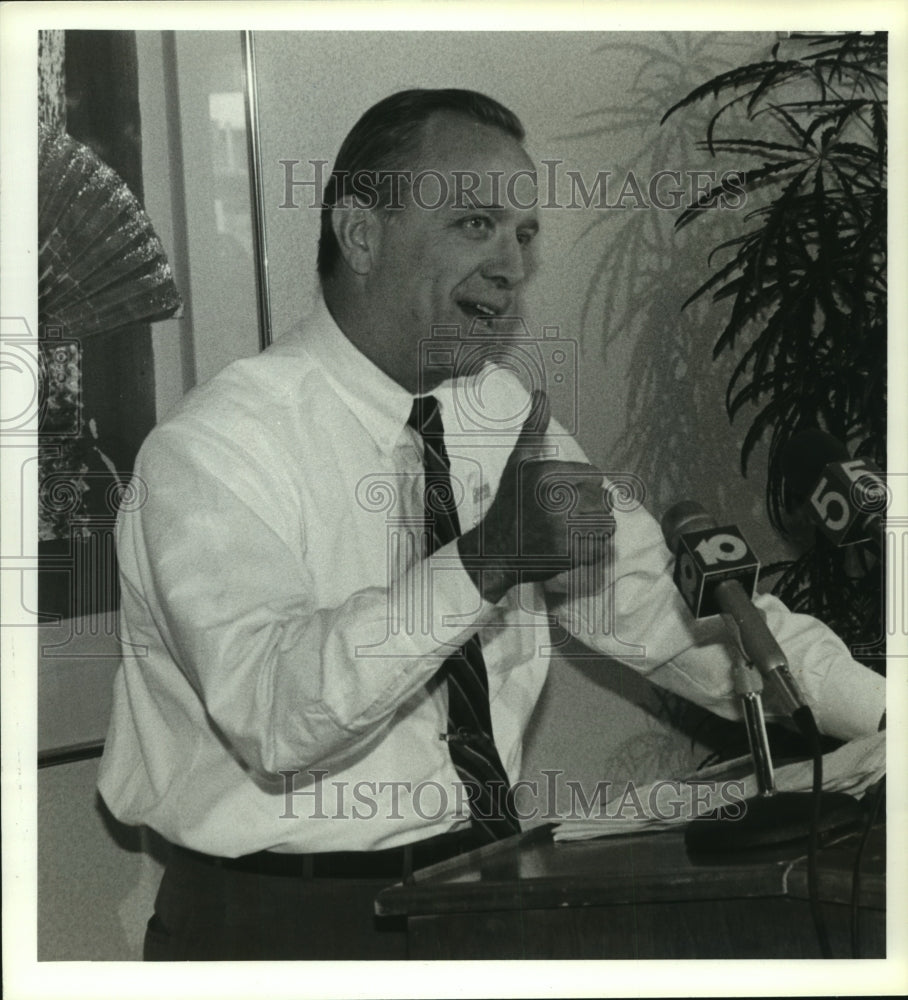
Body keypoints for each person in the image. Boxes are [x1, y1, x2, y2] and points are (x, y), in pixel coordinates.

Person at [97, 88, 885, 961]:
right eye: (476, 225)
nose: (512, 266)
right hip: (284, 927)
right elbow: (273, 713)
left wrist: (885, 718)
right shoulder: (213, 449)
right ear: (362, 236)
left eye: (524, 233)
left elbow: (677, 612)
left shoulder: (497, 411)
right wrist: (488, 560)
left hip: (486, 891)